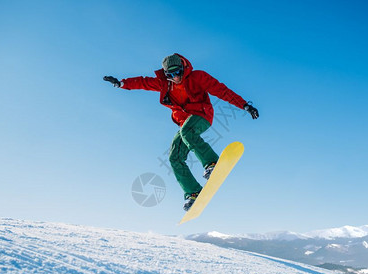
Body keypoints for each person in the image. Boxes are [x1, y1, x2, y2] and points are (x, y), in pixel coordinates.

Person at [104, 53, 259, 211]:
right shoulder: (164, 83)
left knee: (187, 132)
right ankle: (192, 192)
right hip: (185, 123)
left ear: (183, 68)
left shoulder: (197, 77)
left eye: (177, 72)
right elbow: (143, 82)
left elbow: (222, 91)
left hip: (202, 115)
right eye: (170, 75)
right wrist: (121, 83)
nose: (175, 77)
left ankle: (212, 162)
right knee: (174, 157)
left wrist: (245, 106)